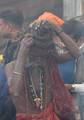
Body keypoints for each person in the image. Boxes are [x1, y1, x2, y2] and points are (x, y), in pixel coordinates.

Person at [5, 19, 81, 120]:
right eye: (36, 55)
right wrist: (22, 52)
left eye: (43, 54)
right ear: (28, 49)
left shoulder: (48, 61)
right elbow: (14, 90)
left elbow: (76, 53)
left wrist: (58, 31)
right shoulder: (11, 66)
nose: (39, 60)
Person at [0, 9, 24, 120]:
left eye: (0, 24)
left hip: (20, 103)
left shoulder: (26, 44)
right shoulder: (7, 46)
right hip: (6, 104)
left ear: (9, 26)